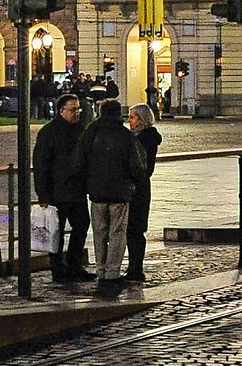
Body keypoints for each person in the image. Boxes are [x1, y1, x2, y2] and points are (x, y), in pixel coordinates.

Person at [80, 98, 145, 291]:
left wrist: (87, 182)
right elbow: (137, 166)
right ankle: (112, 272)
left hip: (96, 192)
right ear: (119, 114)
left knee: (99, 232)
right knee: (117, 233)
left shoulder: (91, 132)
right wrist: (133, 182)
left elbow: (80, 158)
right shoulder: (126, 136)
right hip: (120, 192)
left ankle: (100, 270)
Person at [31, 93, 90, 283]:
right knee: (56, 232)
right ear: (61, 111)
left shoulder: (81, 130)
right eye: (73, 109)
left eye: (78, 109)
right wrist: (43, 193)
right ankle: (57, 269)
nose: (77, 113)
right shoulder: (49, 132)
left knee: (81, 226)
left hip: (77, 190)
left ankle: (74, 265)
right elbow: (41, 165)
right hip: (57, 192)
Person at [123, 102, 162, 283]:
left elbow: (144, 168)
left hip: (138, 189)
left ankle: (135, 268)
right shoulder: (137, 137)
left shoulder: (144, 139)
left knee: (135, 230)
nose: (129, 121)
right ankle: (133, 267)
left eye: (132, 117)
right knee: (133, 230)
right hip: (138, 187)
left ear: (142, 119)